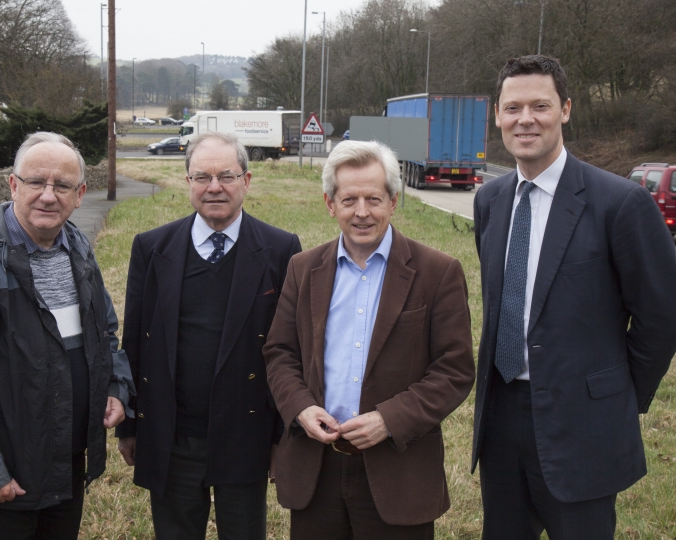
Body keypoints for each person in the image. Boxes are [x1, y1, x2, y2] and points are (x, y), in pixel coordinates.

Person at [472, 55, 676, 539]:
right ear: (497, 115)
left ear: (565, 109)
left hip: (583, 426)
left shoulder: (621, 203)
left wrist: (618, 396)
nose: (526, 119)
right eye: (513, 107)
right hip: (501, 418)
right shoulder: (490, 200)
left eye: (540, 105)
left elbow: (662, 317)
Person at [0, 132, 133, 540]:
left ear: (80, 193)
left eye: (62, 185)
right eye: (36, 182)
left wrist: (115, 386)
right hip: (3, 477)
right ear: (14, 185)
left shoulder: (78, 251)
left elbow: (104, 334)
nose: (48, 196)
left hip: (65, 470)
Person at [264, 140, 476, 540]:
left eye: (374, 199)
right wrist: (301, 408)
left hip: (398, 470)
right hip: (316, 467)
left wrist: (388, 420)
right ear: (330, 204)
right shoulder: (303, 269)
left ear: (394, 201)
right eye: (349, 200)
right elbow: (280, 353)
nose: (362, 212)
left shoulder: (438, 272)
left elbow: (454, 371)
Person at [115, 132, 301, 539]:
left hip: (246, 433)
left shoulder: (281, 249)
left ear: (246, 181)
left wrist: (280, 437)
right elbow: (135, 343)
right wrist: (129, 425)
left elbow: (289, 350)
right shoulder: (152, 248)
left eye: (226, 176)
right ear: (188, 183)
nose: (214, 187)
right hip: (172, 434)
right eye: (202, 177)